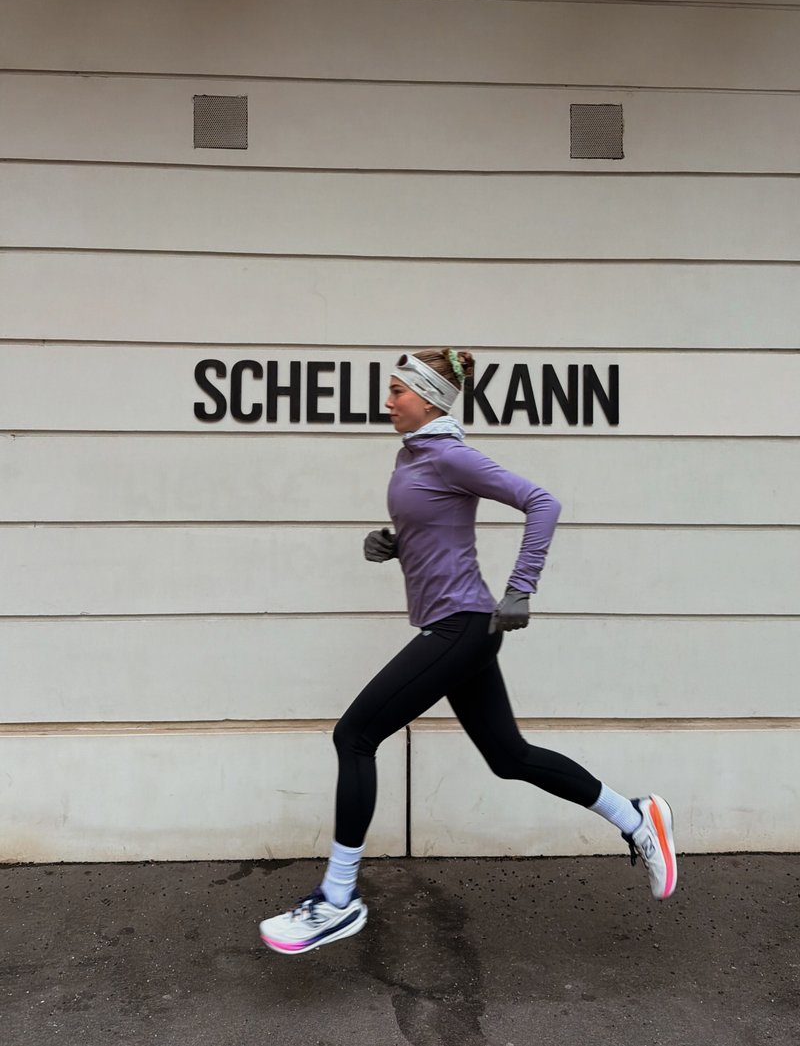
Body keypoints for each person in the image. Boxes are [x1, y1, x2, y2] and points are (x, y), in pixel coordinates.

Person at [259, 348, 677, 955]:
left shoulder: (451, 454)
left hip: (463, 625)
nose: (387, 401)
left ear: (429, 399)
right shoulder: (415, 455)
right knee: (509, 756)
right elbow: (440, 526)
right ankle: (636, 817)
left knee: (354, 736)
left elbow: (543, 502)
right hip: (459, 626)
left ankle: (338, 899)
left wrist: (521, 588)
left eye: (398, 391)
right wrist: (398, 544)